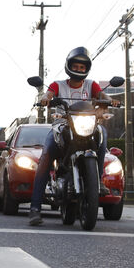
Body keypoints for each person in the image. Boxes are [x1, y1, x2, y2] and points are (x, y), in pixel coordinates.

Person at [27, 47, 120, 227]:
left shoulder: (91, 85)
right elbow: (49, 93)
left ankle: (98, 180)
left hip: (86, 125)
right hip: (62, 125)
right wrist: (46, 98)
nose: (78, 69)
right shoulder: (58, 84)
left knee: (102, 133)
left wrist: (111, 100)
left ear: (86, 69)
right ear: (69, 67)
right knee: (46, 157)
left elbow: (102, 95)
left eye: (81, 67)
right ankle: (35, 208)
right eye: (75, 66)